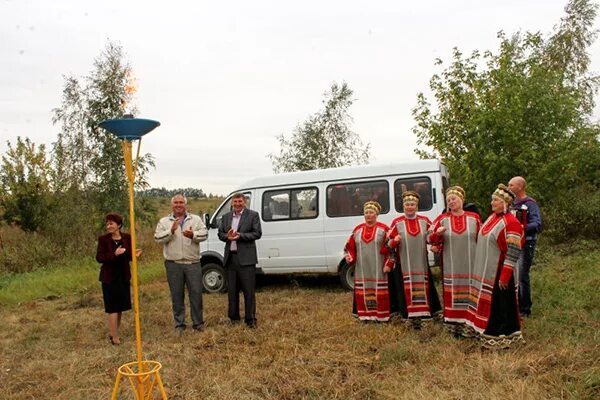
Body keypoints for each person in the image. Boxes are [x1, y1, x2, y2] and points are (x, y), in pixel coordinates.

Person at [466, 184, 524, 349]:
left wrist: (505, 276)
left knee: (501, 307)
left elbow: (513, 251)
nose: (492, 203)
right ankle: (485, 330)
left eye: (495, 200)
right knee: (494, 306)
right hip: (486, 272)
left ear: (505, 203)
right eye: (492, 199)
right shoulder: (493, 218)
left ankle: (501, 336)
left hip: (498, 273)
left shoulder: (511, 222)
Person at [429, 186, 481, 337]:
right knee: (453, 293)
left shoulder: (474, 218)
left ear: (462, 200)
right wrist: (436, 236)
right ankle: (454, 327)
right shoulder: (442, 219)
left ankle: (471, 325)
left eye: (454, 199)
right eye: (448, 200)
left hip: (471, 264)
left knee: (472, 292)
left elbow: (482, 238)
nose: (451, 202)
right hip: (451, 264)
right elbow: (428, 237)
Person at [154, 194, 208, 333]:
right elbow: (157, 238)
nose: (178, 205)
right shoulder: (165, 221)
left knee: (196, 294)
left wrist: (193, 235)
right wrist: (171, 231)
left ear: (185, 205)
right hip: (173, 263)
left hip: (193, 263)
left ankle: (198, 323)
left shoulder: (195, 219)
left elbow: (204, 234)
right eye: (176, 203)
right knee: (177, 295)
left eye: (181, 202)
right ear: (172, 205)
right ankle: (179, 324)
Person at [388, 191, 441, 328]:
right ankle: (408, 317)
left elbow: (432, 238)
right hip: (404, 264)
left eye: (412, 204)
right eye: (407, 204)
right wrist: (395, 241)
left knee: (424, 288)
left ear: (416, 206)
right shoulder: (397, 222)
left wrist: (436, 242)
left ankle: (425, 316)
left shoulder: (425, 221)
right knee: (404, 289)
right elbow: (388, 243)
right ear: (403, 206)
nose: (410, 207)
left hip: (421, 264)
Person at [344, 201, 394, 321]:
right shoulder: (357, 230)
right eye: (366, 212)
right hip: (362, 269)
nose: (368, 215)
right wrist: (350, 257)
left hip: (379, 269)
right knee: (364, 290)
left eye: (371, 212)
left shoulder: (384, 229)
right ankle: (365, 315)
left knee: (380, 290)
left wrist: (389, 264)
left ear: (376, 214)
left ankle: (381, 316)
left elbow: (391, 249)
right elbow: (349, 247)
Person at [96, 213, 142, 345]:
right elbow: (99, 258)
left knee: (120, 306)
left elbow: (128, 256)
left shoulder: (127, 237)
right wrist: (114, 254)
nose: (108, 226)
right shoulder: (103, 239)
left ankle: (114, 332)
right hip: (109, 277)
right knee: (112, 308)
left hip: (123, 276)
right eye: (107, 224)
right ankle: (114, 338)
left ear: (119, 225)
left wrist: (135, 255)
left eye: (111, 223)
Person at [218, 192, 262, 328]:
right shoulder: (225, 217)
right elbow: (220, 234)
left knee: (249, 291)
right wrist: (228, 237)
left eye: (240, 201)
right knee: (232, 291)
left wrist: (240, 236)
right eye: (235, 202)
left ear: (245, 202)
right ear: (232, 203)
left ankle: (250, 320)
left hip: (246, 259)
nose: (237, 204)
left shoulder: (253, 215)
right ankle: (233, 318)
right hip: (231, 258)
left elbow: (257, 233)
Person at [508, 176, 542, 318]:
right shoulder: (511, 204)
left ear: (520, 187)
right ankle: (514, 306)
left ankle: (525, 309)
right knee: (512, 274)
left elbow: (537, 224)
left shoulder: (530, 204)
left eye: (511, 185)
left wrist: (522, 227)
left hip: (526, 242)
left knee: (522, 275)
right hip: (512, 243)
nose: (509, 187)